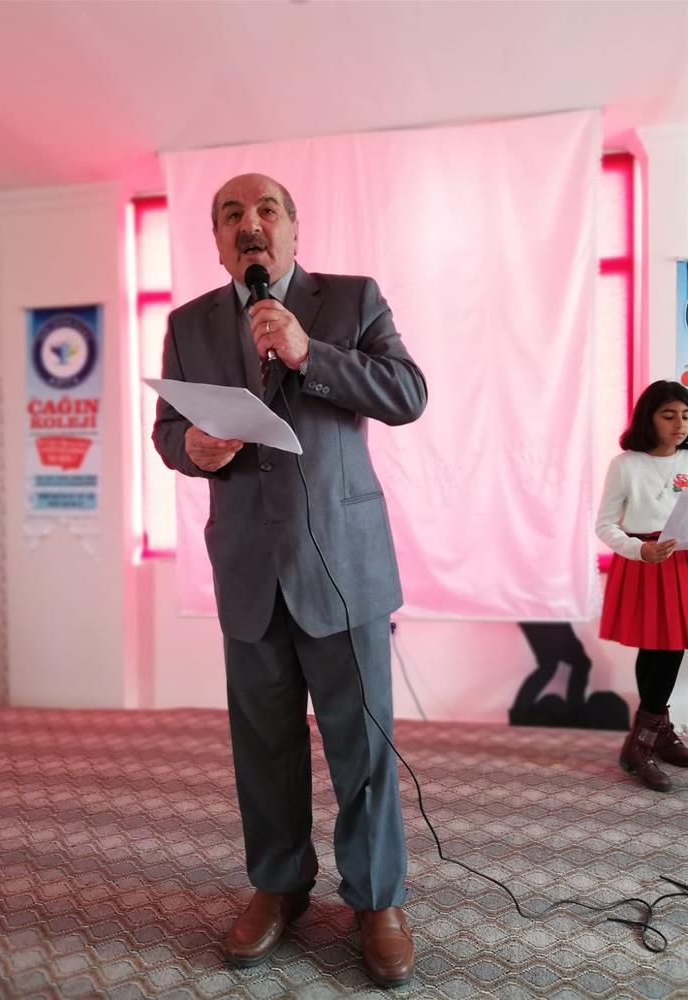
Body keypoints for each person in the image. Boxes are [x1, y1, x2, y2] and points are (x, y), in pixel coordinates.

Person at [152, 173, 427, 986]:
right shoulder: (187, 324)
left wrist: (313, 353)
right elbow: (168, 430)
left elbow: (408, 394)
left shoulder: (352, 299)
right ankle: (279, 885)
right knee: (263, 747)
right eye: (231, 214)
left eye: (266, 209)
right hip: (247, 568)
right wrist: (189, 449)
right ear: (217, 241)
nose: (250, 223)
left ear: (294, 229)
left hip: (343, 567)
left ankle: (376, 898)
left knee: (362, 749)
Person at [596, 379, 688, 792]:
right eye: (669, 415)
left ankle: (656, 736)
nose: (679, 424)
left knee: (664, 649)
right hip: (646, 562)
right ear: (648, 418)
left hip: (683, 563)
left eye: (685, 416)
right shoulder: (626, 464)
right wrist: (639, 550)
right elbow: (605, 526)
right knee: (661, 648)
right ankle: (642, 744)